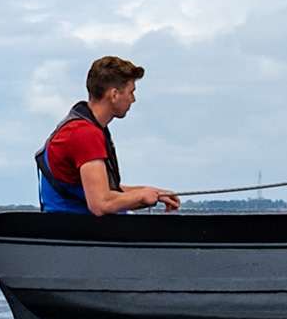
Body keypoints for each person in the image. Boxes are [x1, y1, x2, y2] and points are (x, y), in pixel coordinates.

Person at [36, 57, 182, 215]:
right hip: (73, 225)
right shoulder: (85, 133)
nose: (133, 99)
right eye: (131, 92)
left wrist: (155, 193)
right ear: (114, 95)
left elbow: (106, 192)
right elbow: (101, 204)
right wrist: (141, 196)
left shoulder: (80, 127)